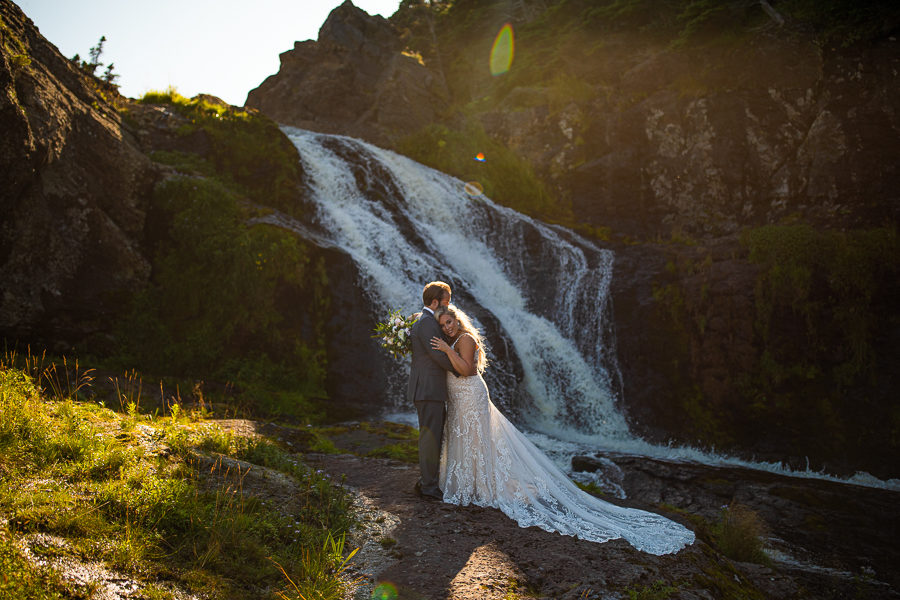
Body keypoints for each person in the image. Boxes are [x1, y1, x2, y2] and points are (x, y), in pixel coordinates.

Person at [430, 304, 695, 555]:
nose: (447, 328)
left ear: (457, 319)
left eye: (449, 322)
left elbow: (467, 370)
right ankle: (474, 482)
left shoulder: (464, 339)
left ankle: (484, 485)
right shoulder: (453, 339)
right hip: (460, 399)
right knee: (469, 439)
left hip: (470, 396)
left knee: (477, 438)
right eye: (443, 325)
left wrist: (447, 349)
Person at [407, 281, 456, 500]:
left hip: (429, 388)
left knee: (433, 436)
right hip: (428, 388)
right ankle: (428, 486)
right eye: (446, 302)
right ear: (435, 302)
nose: (448, 306)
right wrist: (462, 368)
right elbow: (437, 355)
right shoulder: (427, 323)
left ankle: (426, 481)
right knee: (430, 438)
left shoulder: (425, 320)